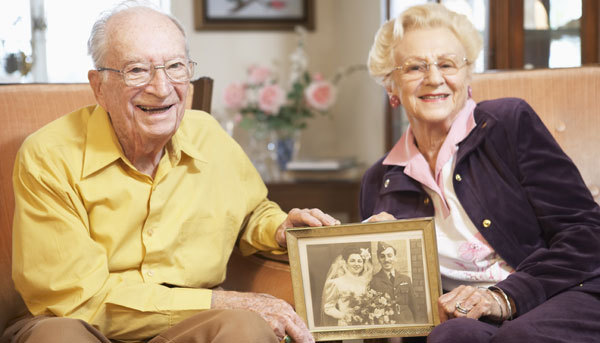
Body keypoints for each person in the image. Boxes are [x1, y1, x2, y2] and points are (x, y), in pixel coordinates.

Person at [5, 2, 341, 343]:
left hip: (186, 327)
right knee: (59, 337)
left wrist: (278, 228)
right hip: (81, 325)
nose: (162, 88)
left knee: (244, 328)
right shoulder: (49, 155)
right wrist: (218, 300)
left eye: (176, 66)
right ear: (99, 87)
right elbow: (76, 300)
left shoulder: (208, 137)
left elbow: (251, 212)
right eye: (137, 70)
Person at [360, 3, 600, 342]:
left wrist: (504, 297)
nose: (434, 78)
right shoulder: (379, 181)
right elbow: (393, 308)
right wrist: (378, 252)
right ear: (391, 85)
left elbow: (586, 232)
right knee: (451, 337)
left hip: (561, 293)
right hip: (467, 319)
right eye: (415, 67)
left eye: (447, 64)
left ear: (467, 76)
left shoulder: (509, 124)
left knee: (520, 336)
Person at [321, 244, 372, 326]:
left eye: (359, 261)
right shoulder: (336, 283)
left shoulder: (364, 282)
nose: (356, 264)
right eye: (352, 261)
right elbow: (328, 308)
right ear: (345, 263)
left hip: (364, 323)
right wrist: (345, 316)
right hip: (346, 323)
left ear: (363, 264)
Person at [369, 242, 417, 324]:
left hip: (407, 322)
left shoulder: (406, 279)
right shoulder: (373, 281)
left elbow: (413, 305)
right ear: (378, 259)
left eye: (389, 255)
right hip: (386, 323)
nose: (386, 260)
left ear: (395, 257)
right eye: (382, 256)